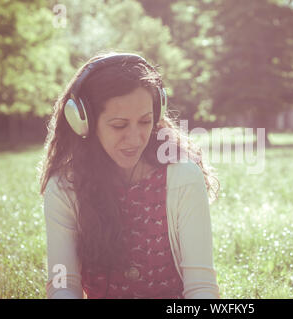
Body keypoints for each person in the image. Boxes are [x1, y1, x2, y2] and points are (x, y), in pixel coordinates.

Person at [38, 52, 220, 299]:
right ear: (84, 123)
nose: (135, 139)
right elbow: (62, 283)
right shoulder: (64, 187)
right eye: (119, 125)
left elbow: (201, 287)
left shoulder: (184, 178)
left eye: (145, 121)